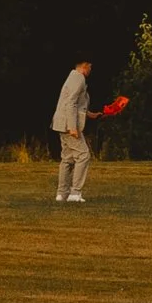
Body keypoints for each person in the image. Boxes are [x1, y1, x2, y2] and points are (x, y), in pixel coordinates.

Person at [53, 57, 95, 203]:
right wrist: (72, 127)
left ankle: (61, 194)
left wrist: (90, 114)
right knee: (83, 155)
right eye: (90, 66)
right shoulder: (79, 78)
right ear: (85, 65)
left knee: (68, 159)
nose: (91, 69)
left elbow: (74, 103)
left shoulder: (72, 77)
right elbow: (71, 103)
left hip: (60, 123)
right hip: (68, 125)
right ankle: (75, 193)